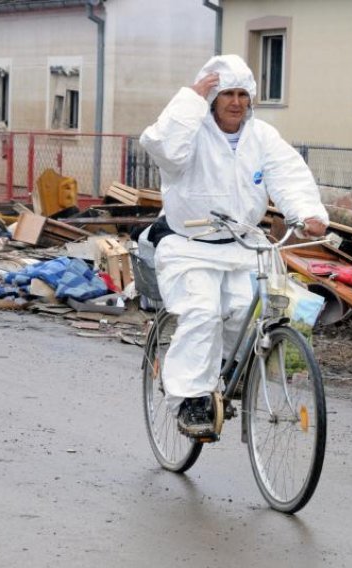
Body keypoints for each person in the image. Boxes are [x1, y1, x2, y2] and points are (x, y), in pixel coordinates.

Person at [139, 54, 329, 438]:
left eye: (243, 93)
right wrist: (189, 99)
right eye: (227, 93)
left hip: (242, 244)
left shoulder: (262, 137)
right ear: (212, 98)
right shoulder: (190, 130)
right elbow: (163, 147)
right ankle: (191, 399)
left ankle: (228, 372)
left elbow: (289, 175)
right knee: (202, 312)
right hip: (189, 244)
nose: (236, 102)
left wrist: (308, 214)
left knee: (248, 311)